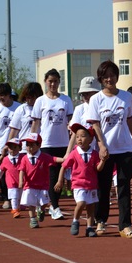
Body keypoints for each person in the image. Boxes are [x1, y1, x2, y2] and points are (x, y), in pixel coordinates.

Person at [86, 60, 132, 239]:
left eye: (112, 75)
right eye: (106, 76)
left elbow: (130, 119)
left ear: (117, 76)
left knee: (123, 187)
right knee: (104, 186)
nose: (110, 78)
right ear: (101, 78)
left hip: (124, 148)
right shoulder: (96, 99)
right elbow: (95, 124)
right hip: (106, 150)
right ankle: (101, 220)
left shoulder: (125, 96)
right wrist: (101, 144)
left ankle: (125, 225)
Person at [31, 69, 74, 220]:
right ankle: (54, 207)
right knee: (51, 176)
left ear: (59, 82)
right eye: (50, 81)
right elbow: (36, 123)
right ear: (45, 82)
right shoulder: (40, 101)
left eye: (56, 81)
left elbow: (71, 122)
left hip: (63, 143)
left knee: (60, 178)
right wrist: (33, 142)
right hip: (46, 143)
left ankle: (50, 204)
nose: (53, 84)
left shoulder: (66, 100)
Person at [55, 123, 105, 237]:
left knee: (91, 207)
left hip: (91, 184)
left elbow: (98, 168)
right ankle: (75, 221)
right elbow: (64, 166)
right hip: (78, 184)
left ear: (91, 139)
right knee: (81, 203)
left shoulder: (94, 154)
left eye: (82, 136)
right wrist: (60, 180)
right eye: (77, 136)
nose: (79, 139)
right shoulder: (74, 153)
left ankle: (89, 228)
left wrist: (103, 160)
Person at [0, 83, 21, 209]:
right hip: (0, 145)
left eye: (3, 96)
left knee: (18, 171)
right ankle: (6, 198)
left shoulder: (19, 107)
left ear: (9, 95)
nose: (0, 98)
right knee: (4, 173)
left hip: (17, 145)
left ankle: (19, 197)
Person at [18, 133, 64, 229]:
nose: (29, 148)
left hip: (43, 185)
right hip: (29, 185)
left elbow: (54, 159)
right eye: (27, 145)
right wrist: (21, 181)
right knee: (31, 203)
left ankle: (41, 211)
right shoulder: (24, 158)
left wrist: (65, 159)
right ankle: (33, 219)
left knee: (44, 203)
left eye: (32, 145)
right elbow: (21, 170)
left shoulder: (44, 156)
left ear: (39, 146)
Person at [8, 82, 44, 153]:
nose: (30, 100)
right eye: (28, 97)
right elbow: (14, 131)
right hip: (24, 149)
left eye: (32, 97)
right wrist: (10, 147)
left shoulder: (43, 108)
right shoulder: (21, 109)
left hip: (41, 147)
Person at [0, 138, 25, 218]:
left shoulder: (23, 157)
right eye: (10, 147)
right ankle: (15, 210)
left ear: (20, 148)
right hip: (11, 181)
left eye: (15, 147)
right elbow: (2, 169)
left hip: (21, 180)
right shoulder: (6, 159)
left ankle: (19, 206)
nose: (12, 150)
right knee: (14, 196)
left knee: (20, 195)